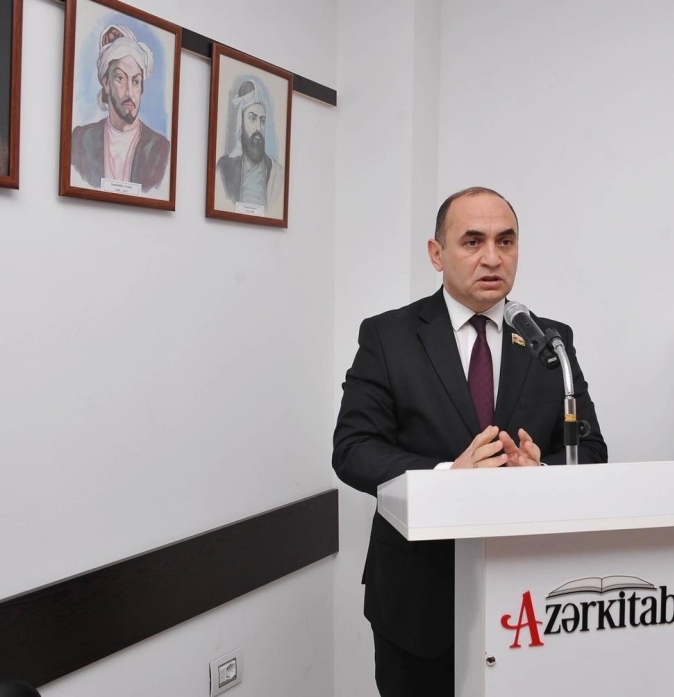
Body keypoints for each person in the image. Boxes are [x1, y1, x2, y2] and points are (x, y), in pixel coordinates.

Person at [332, 186, 607, 697]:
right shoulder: (388, 337)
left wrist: (541, 472)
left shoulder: (551, 341)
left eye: (506, 242)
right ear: (437, 254)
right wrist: (446, 477)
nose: (492, 258)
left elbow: (591, 451)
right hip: (418, 597)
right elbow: (353, 448)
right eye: (473, 241)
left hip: (531, 597)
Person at [70, 24, 170, 192]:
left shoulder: (160, 149)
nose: (129, 92)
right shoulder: (81, 140)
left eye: (136, 81)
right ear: (106, 83)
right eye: (120, 78)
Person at [215, 79, 284, 214]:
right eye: (252, 118)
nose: (258, 127)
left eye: (262, 120)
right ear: (241, 122)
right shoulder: (223, 168)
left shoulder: (277, 172)